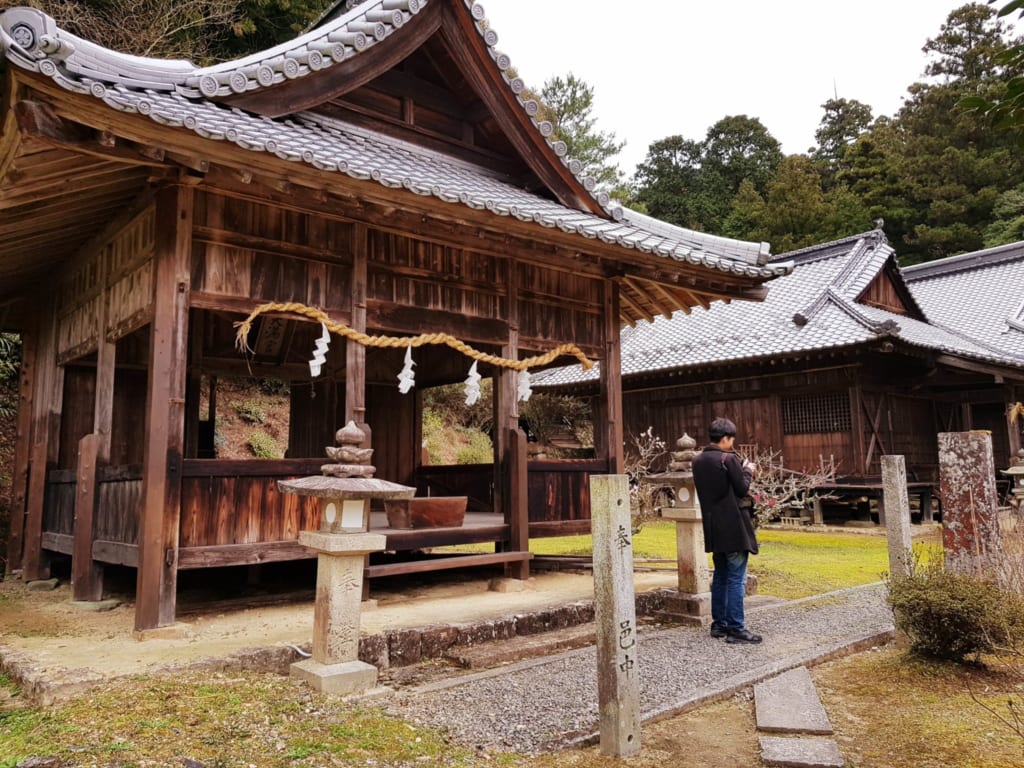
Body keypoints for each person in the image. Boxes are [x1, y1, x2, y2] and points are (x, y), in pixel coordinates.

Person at [692, 417, 762, 644]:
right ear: (725, 439)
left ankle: (719, 624)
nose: (732, 443)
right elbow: (742, 489)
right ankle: (736, 628)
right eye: (731, 439)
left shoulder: (698, 460)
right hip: (733, 526)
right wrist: (748, 470)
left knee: (721, 576)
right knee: (736, 578)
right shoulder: (728, 458)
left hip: (714, 526)